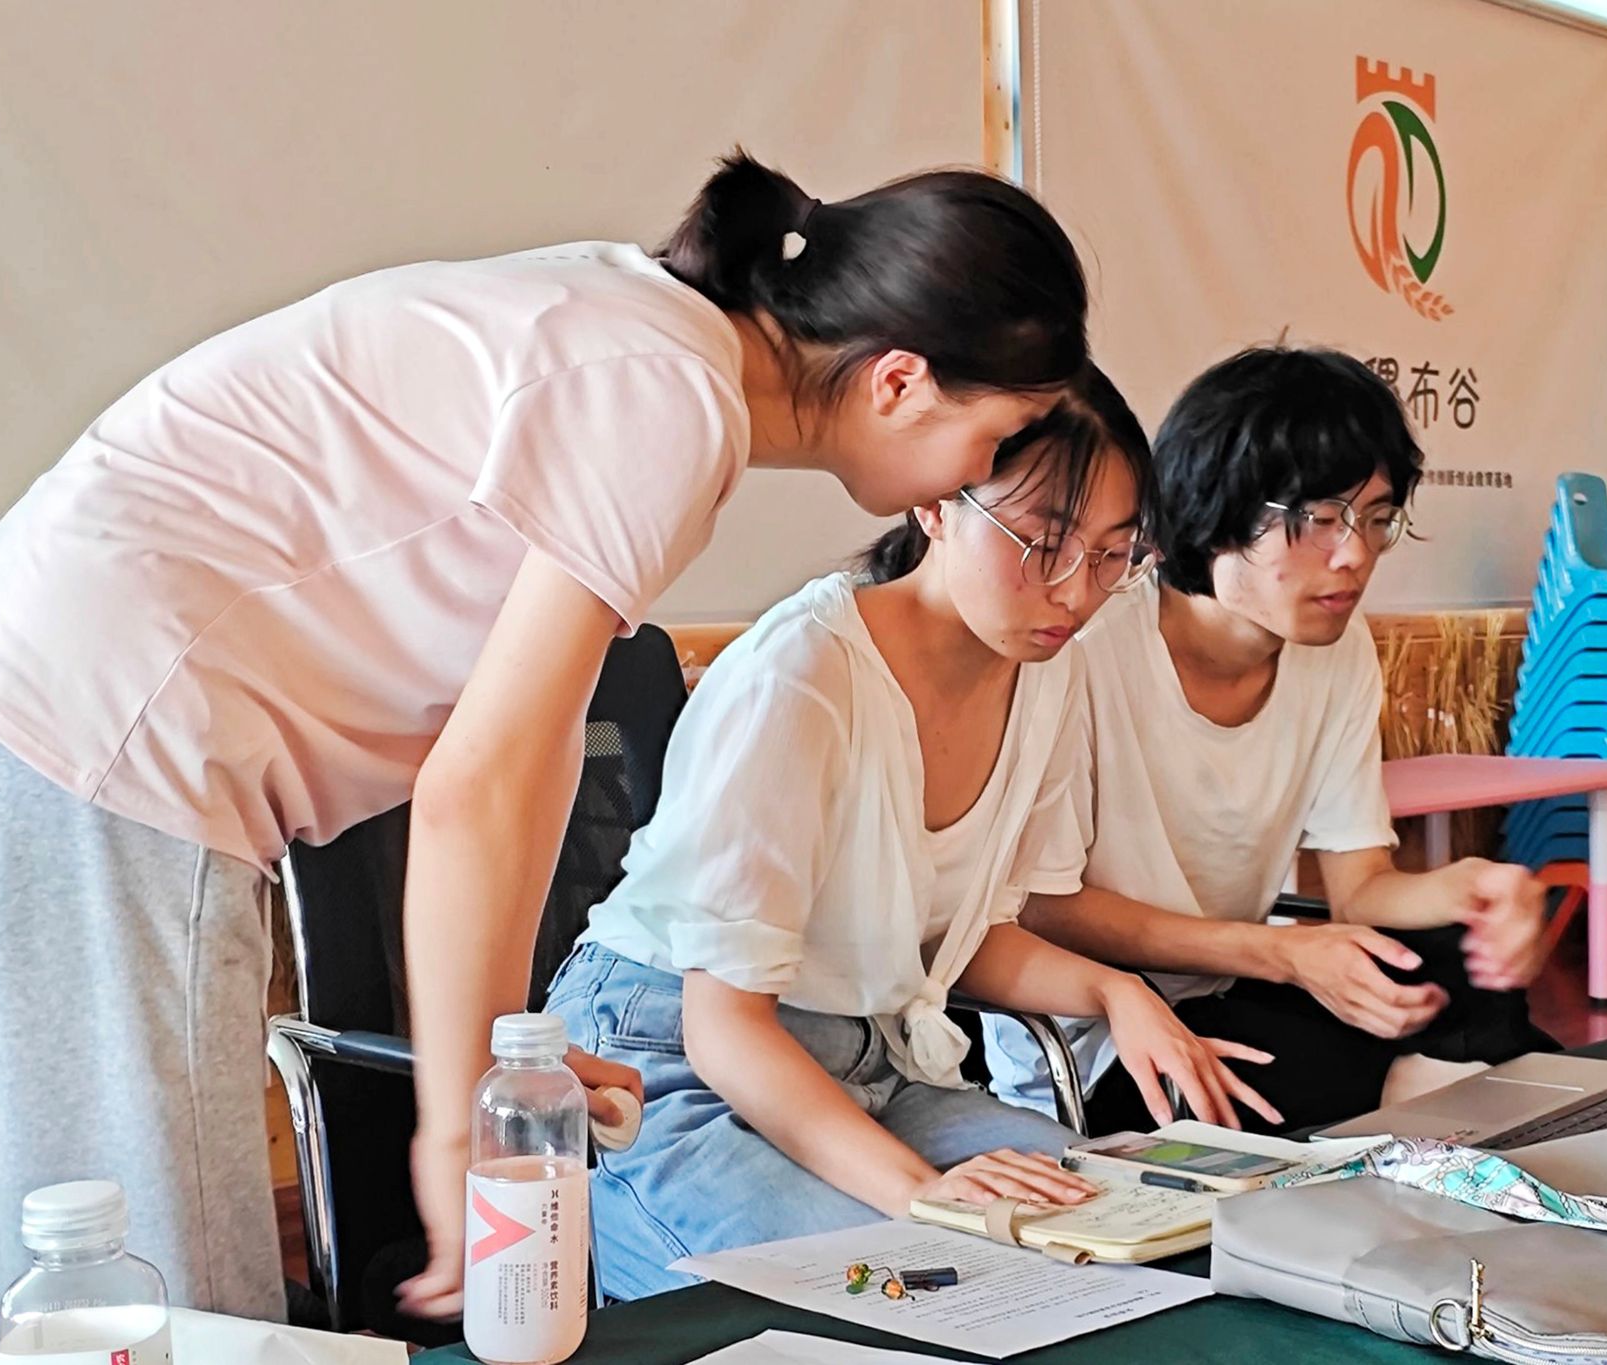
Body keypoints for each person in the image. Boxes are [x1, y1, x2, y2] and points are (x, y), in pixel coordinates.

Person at [0, 149, 1094, 1321]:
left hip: (84, 697)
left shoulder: (654, 346)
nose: (986, 473)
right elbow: (480, 787)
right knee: (158, 1289)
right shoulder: (671, 399)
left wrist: (502, 1049)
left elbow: (531, 749)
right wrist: (455, 1117)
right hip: (114, 715)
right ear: (900, 381)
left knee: (93, 1270)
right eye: (1000, 435)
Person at [548, 372, 1278, 1300]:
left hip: (868, 1059)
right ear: (935, 502)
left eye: (1112, 554)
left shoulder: (1046, 669)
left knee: (1115, 1239)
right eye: (1043, 542)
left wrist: (1115, 990)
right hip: (662, 1070)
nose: (1075, 592)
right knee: (919, 1292)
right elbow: (725, 1028)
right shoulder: (802, 677)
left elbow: (959, 937)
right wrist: (923, 1195)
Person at [985, 345, 1556, 1137]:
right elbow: (1048, 909)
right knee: (1337, 1070)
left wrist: (1474, 888)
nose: (1355, 555)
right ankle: (1434, 1099)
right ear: (1215, 512)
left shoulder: (1338, 651)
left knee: (1453, 955)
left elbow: (1361, 888)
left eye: (1376, 518)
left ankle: (1426, 1102)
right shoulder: (1086, 647)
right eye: (1318, 519)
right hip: (1105, 1039)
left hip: (1231, 985)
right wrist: (1281, 953)